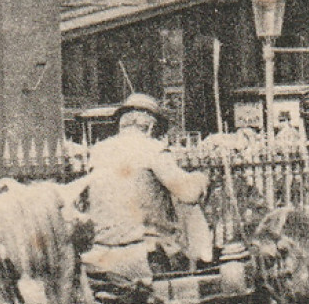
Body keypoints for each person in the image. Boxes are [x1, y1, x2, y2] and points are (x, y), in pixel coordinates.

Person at [80, 92, 211, 283]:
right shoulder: (152, 149)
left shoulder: (97, 152)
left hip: (101, 252)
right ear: (150, 126)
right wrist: (200, 179)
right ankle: (203, 259)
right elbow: (188, 193)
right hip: (144, 253)